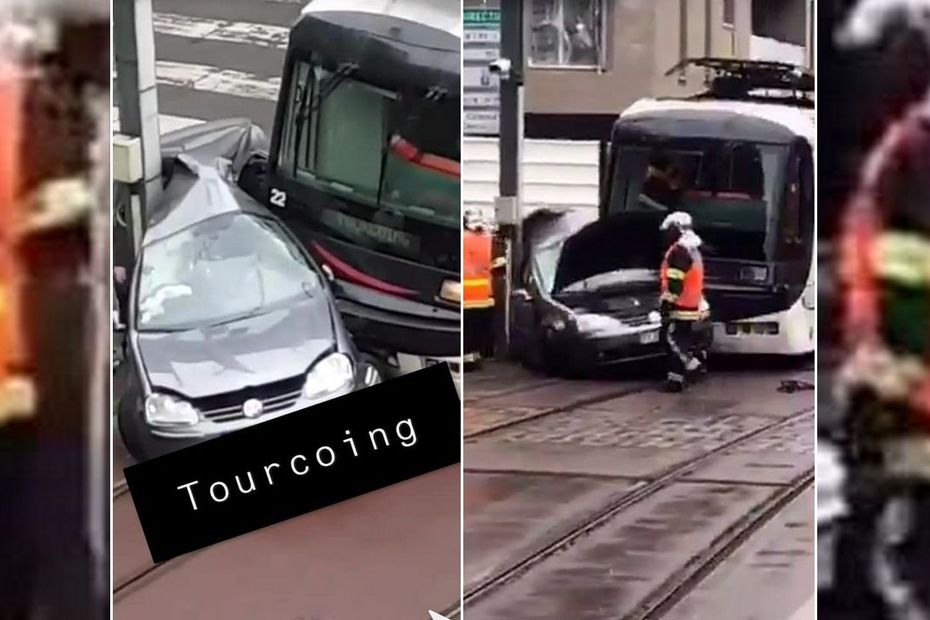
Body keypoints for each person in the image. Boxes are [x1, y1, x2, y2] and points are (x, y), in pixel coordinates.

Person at [659, 211, 709, 392]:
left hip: (681, 306)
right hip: (692, 304)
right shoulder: (693, 249)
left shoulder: (678, 252)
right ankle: (694, 366)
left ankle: (678, 379)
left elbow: (675, 283)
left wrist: (667, 304)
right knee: (683, 340)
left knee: (672, 340)